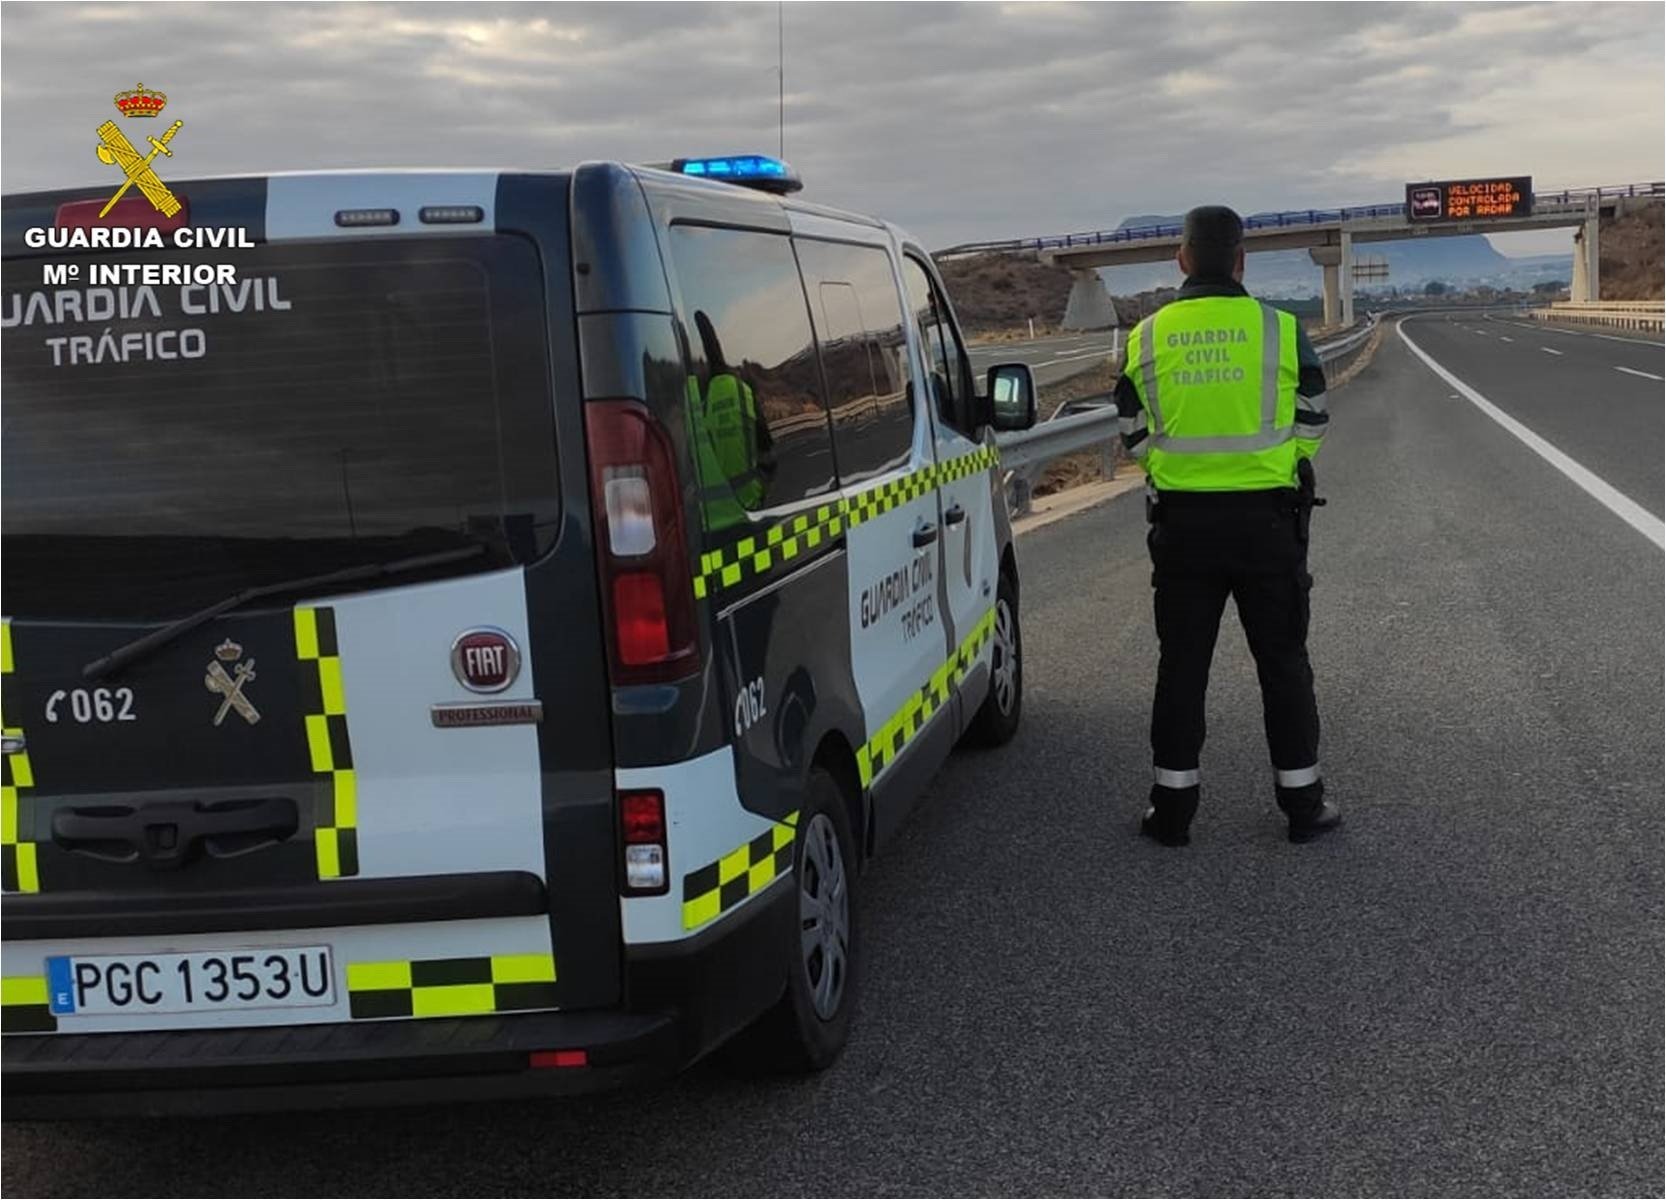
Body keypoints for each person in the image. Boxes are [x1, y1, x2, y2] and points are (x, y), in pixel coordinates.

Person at [1114, 205, 1340, 846]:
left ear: (1181, 260)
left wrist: (1171, 470)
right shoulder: (1278, 328)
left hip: (1183, 529)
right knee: (1284, 664)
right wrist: (1287, 464)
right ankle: (1303, 808)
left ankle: (1173, 814)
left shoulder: (1146, 336)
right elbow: (1316, 415)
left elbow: (1131, 431)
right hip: (1269, 524)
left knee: (1182, 669)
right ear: (1241, 260)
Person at [686, 310, 772, 532]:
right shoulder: (743, 394)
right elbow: (768, 451)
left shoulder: (693, 402)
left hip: (706, 523)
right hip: (749, 508)